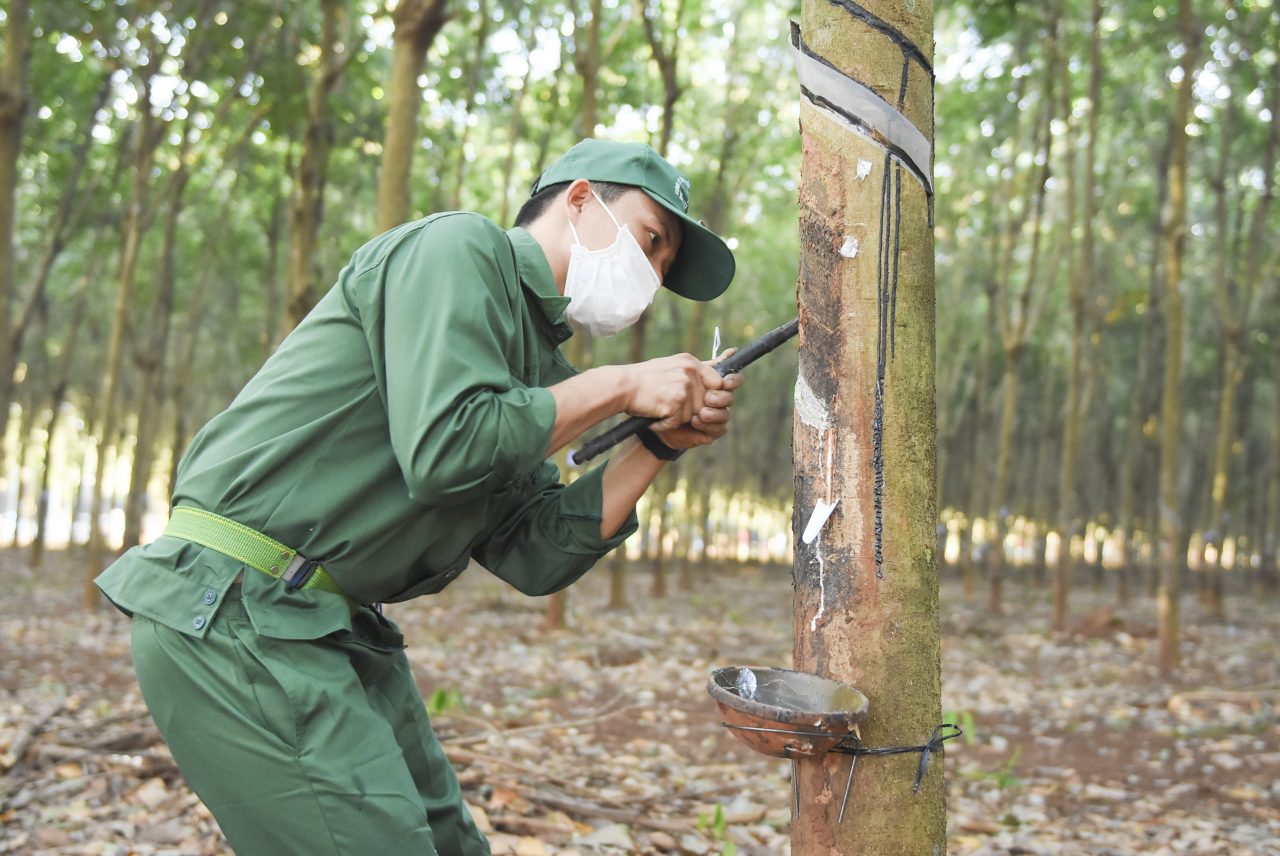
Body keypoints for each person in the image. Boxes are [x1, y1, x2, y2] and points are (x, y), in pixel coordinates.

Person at [95, 139, 743, 855]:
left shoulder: (541, 366)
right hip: (236, 606)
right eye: (650, 242)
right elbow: (447, 450)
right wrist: (620, 386)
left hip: (331, 625)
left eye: (663, 267)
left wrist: (655, 447)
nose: (650, 276)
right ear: (581, 198)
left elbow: (533, 555)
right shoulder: (457, 250)